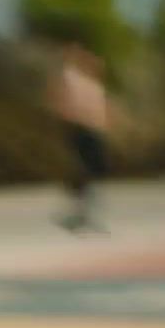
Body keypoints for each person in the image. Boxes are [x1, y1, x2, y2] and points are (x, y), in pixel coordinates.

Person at [50, 42, 110, 232]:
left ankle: (81, 212)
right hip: (82, 129)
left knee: (93, 171)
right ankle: (80, 213)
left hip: (93, 130)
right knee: (87, 170)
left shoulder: (91, 83)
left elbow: (99, 107)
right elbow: (62, 101)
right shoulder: (72, 78)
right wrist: (73, 119)